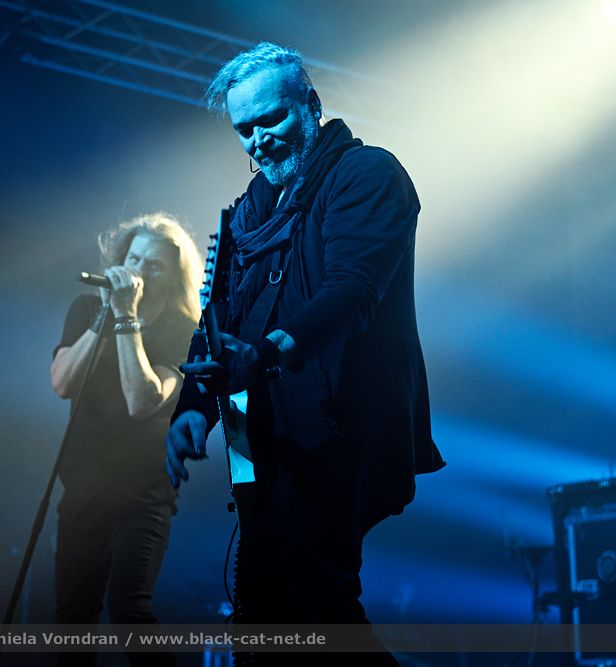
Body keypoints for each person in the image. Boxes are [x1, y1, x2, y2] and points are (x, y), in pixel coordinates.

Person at [165, 43, 445, 663]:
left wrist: (264, 355)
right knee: (259, 601)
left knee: (319, 603)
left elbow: (352, 294)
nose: (259, 140)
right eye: (245, 129)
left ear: (311, 105)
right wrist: (193, 408)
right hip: (253, 436)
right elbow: (217, 320)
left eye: (272, 119)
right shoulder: (246, 214)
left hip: (337, 428)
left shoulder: (367, 174)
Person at [50, 213, 201, 665]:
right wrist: (105, 317)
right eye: (134, 259)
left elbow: (142, 401)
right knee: (72, 623)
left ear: (174, 276)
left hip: (143, 495)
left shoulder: (184, 330)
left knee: (130, 613)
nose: (138, 271)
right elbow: (62, 383)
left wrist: (126, 317)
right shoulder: (87, 309)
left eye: (153, 265)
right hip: (82, 488)